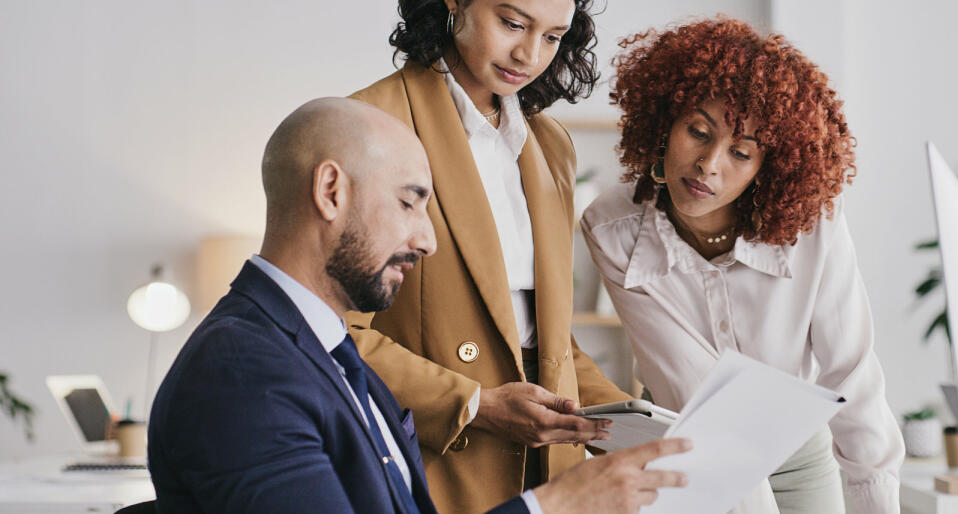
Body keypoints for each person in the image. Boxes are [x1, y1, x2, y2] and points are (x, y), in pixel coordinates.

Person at [147, 97, 689, 513]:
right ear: (331, 190)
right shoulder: (244, 372)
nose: (428, 242)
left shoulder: (325, 351)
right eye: (409, 202)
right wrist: (555, 505)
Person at [580, 19, 905, 514]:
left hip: (799, 456)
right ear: (665, 121)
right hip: (686, 448)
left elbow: (852, 374)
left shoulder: (812, 226)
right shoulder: (612, 228)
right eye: (698, 132)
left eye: (740, 152)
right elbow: (690, 386)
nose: (709, 164)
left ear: (766, 168)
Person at [345, 1, 631, 511]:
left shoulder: (550, 143)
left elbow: (545, 337)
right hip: (434, 459)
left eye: (553, 37)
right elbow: (331, 331)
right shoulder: (372, 124)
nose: (529, 54)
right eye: (513, 24)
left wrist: (631, 422)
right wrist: (472, 403)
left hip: (549, 470)